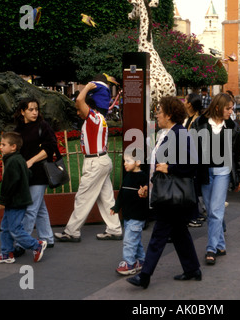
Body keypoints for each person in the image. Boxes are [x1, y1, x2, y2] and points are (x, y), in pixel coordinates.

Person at [126, 96, 201, 289]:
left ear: (168, 114)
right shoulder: (165, 133)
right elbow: (156, 166)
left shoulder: (180, 133)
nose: (157, 115)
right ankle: (193, 269)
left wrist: (171, 168)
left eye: (159, 111)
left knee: (159, 235)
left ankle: (145, 276)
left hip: (172, 195)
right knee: (179, 233)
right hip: (167, 192)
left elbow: (193, 165)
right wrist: (147, 185)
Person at [54, 81, 122, 242]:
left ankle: (72, 232)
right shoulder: (100, 118)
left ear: (88, 107)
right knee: (106, 199)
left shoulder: (92, 117)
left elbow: (79, 101)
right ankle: (114, 229)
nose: (78, 113)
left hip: (95, 163)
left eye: (79, 110)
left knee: (83, 197)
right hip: (102, 160)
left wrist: (87, 88)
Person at [191, 92, 240, 264]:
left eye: (232, 108)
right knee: (211, 209)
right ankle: (220, 244)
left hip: (223, 171)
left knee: (214, 211)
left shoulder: (233, 127)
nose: (231, 111)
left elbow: (239, 154)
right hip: (204, 172)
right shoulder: (199, 124)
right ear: (217, 107)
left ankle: (211, 248)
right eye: (228, 108)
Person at [0, 132, 47, 264]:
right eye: (0, 144)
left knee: (15, 229)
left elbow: (9, 184)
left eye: (3, 144)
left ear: (13, 147)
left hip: (15, 202)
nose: (0, 147)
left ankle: (36, 245)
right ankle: (7, 253)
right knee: (5, 227)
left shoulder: (12, 162)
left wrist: (2, 201)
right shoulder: (18, 159)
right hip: (16, 200)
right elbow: (28, 173)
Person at [13, 97, 57, 257]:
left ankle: (21, 243)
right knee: (40, 208)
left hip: (40, 173)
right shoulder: (18, 130)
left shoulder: (42, 126)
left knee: (30, 209)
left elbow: (51, 146)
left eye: (36, 109)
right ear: (22, 111)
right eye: (30, 109)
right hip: (26, 175)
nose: (34, 112)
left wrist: (31, 161)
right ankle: (48, 238)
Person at [113, 148, 149, 276]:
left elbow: (147, 190)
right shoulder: (128, 176)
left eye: (128, 161)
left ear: (138, 162)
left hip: (137, 216)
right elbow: (122, 194)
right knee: (135, 240)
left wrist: (145, 190)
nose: (125, 163)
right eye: (124, 161)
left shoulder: (143, 177)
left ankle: (129, 263)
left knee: (129, 241)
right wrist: (116, 207)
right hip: (128, 216)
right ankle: (141, 260)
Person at [182, 93, 206, 227]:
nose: (184, 102)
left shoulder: (198, 120)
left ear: (190, 104)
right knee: (193, 187)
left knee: (193, 187)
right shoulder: (190, 118)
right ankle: (196, 213)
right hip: (191, 157)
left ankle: (194, 215)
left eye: (185, 100)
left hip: (195, 158)